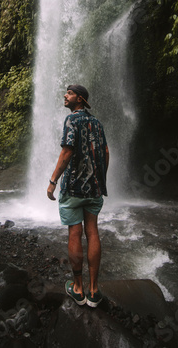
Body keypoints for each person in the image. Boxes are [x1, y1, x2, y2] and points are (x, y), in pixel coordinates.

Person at [47, 84, 109, 307]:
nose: (65, 95)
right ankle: (94, 291)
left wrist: (53, 181)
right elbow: (106, 152)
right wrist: (101, 181)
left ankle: (78, 289)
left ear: (80, 99)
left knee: (75, 233)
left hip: (73, 188)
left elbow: (67, 151)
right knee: (92, 232)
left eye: (70, 93)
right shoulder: (97, 123)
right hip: (94, 188)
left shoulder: (72, 120)